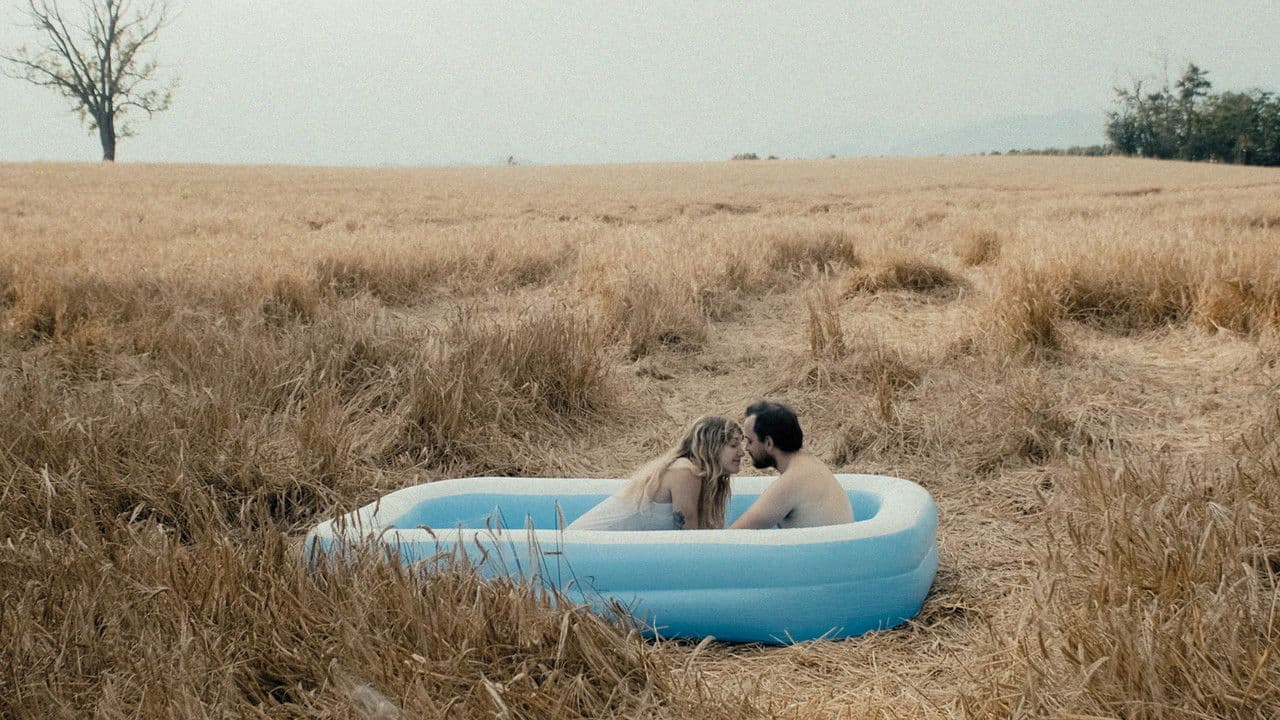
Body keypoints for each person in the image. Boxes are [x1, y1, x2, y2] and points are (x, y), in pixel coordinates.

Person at [567, 416, 744, 530]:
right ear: (711, 447)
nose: (742, 453)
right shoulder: (685, 473)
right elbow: (689, 540)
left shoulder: (690, 472)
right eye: (733, 445)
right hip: (581, 545)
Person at [730, 401, 853, 529]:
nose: (746, 448)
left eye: (750, 441)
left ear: (768, 443)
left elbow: (734, 535)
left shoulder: (791, 482)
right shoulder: (812, 465)